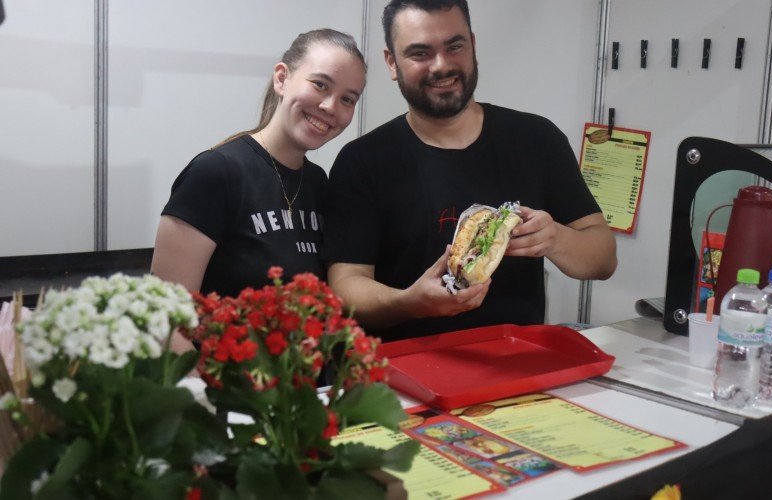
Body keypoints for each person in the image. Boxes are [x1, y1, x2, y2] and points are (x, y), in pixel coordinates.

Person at [321, 0, 617, 342]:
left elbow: (603, 257)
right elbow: (345, 287)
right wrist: (408, 303)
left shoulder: (536, 139)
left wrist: (555, 238)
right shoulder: (363, 161)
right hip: (404, 377)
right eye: (420, 53)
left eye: (455, 46)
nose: (441, 65)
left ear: (473, 46)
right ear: (392, 62)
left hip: (518, 369)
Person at [152, 29, 367, 349]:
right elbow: (167, 321)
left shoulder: (319, 184)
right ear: (282, 79)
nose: (330, 106)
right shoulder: (215, 174)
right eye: (320, 84)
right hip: (223, 391)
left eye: (347, 99)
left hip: (298, 391)